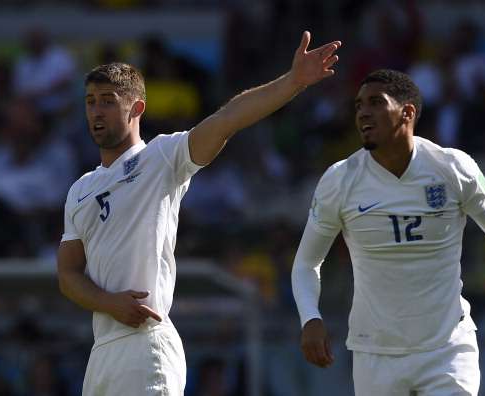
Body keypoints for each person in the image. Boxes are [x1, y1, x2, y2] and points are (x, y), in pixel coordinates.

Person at [57, 31, 340, 396]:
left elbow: (227, 119)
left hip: (146, 343)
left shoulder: (160, 158)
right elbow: (67, 275)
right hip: (101, 354)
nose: (96, 110)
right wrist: (108, 303)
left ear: (137, 108)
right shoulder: (80, 189)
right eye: (90, 102)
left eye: (108, 101)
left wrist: (293, 81)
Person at [291, 69, 485, 395]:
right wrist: (310, 319)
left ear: (407, 112)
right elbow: (305, 264)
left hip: (448, 349)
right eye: (358, 106)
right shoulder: (339, 180)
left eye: (375, 103)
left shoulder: (453, 168)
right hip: (375, 353)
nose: (362, 113)